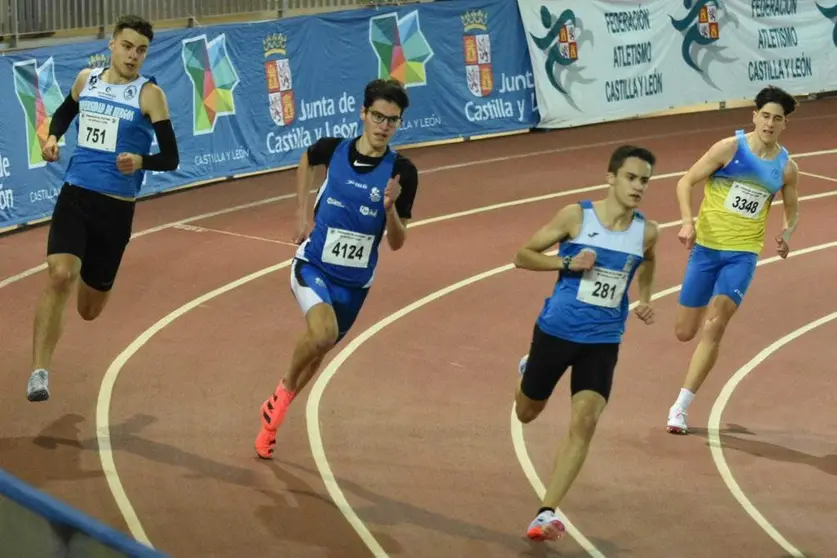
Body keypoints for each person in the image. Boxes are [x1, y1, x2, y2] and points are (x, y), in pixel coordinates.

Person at [254, 78, 419, 459]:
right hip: (313, 265)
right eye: (378, 116)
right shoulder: (335, 150)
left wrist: (391, 209)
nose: (383, 126)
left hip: (355, 285)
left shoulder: (402, 174)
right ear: (363, 114)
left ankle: (274, 417)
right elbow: (306, 160)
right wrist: (301, 214)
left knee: (320, 349)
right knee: (322, 332)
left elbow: (397, 242)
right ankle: (280, 392)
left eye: (392, 121)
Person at [26, 15, 180, 402]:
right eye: (127, 46)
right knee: (60, 274)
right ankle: (39, 372)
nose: (133, 56)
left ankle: (86, 274)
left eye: (141, 50)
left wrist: (141, 161)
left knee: (89, 310)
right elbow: (63, 113)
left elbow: (172, 157)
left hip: (115, 211)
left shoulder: (149, 95)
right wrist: (53, 138)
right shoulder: (86, 80)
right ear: (112, 44)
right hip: (76, 194)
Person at [512, 145, 660, 542]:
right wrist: (565, 263)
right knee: (527, 412)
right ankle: (530, 370)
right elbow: (522, 255)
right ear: (610, 177)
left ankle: (545, 512)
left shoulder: (646, 231)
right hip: (557, 331)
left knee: (586, 422)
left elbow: (648, 261)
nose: (638, 186)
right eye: (631, 177)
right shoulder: (577, 217)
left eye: (644, 180)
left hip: (604, 339)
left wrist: (645, 299)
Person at [665, 85, 800, 435]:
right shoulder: (729, 148)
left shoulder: (786, 167)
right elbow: (686, 181)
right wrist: (686, 221)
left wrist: (786, 233)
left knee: (715, 325)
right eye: (765, 116)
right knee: (684, 332)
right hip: (706, 250)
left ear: (785, 124)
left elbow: (793, 211)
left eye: (777, 119)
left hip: (742, 255)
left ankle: (680, 407)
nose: (770, 123)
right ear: (754, 116)